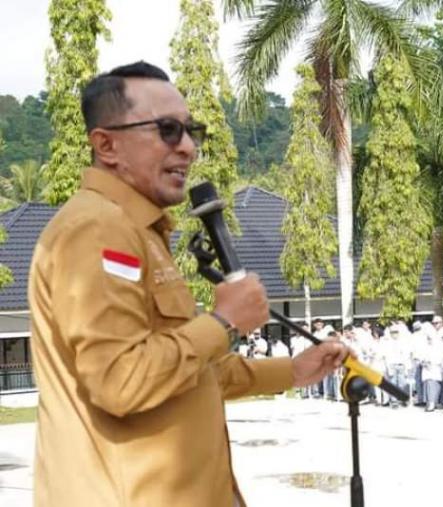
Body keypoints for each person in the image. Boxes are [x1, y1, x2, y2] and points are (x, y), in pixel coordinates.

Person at [28, 62, 352, 507]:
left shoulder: (140, 232)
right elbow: (120, 381)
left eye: (190, 131)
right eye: (166, 130)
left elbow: (189, 371)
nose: (187, 149)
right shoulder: (96, 230)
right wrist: (224, 323)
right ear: (106, 145)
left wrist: (292, 371)